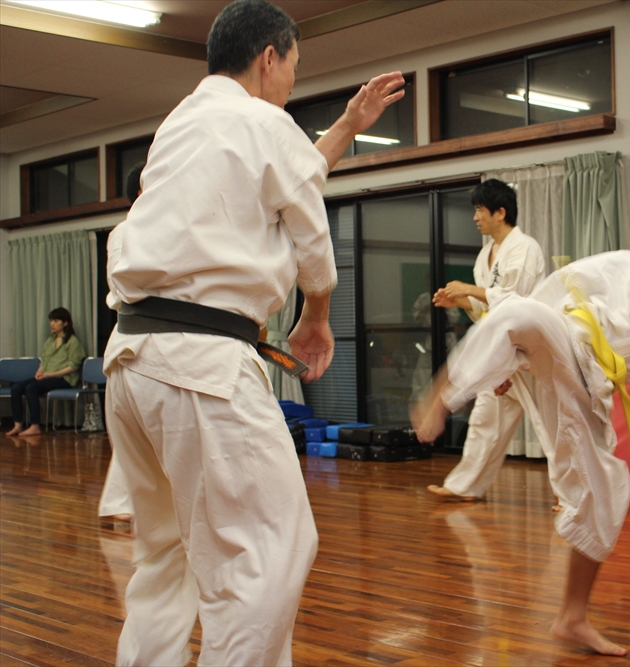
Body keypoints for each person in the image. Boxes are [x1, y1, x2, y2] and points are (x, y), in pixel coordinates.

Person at [102, 0, 404, 664]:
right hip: (199, 366)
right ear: (270, 57)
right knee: (272, 546)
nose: (291, 81)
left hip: (130, 359)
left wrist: (348, 127)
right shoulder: (263, 122)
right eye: (294, 66)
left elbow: (283, 176)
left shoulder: (181, 125)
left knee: (165, 556)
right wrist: (317, 316)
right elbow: (311, 237)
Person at [413, 185, 630, 656]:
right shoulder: (624, 264)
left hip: (593, 387)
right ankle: (443, 396)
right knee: (519, 310)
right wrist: (511, 358)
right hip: (567, 342)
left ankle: (572, 617)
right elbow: (550, 297)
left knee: (608, 492)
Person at [426, 179, 549, 501]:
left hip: (531, 353)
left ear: (500, 212)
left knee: (551, 425)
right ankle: (464, 487)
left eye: (480, 210)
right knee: (485, 421)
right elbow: (487, 308)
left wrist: (468, 289)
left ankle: (574, 498)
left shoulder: (524, 248)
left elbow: (515, 302)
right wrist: (461, 302)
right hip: (503, 353)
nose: (475, 217)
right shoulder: (485, 256)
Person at [98, 162, 144, 525]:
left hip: (161, 341)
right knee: (134, 438)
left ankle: (124, 505)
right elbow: (124, 288)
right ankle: (123, 506)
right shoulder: (125, 232)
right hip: (135, 340)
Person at [5, 307, 86, 437]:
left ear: (65, 323)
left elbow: (73, 367)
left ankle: (35, 425)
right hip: (47, 376)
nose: (52, 324)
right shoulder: (50, 341)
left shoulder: (72, 342)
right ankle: (17, 425)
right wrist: (40, 372)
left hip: (64, 379)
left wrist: (49, 374)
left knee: (31, 388)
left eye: (55, 321)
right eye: (51, 321)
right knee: (16, 388)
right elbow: (44, 361)